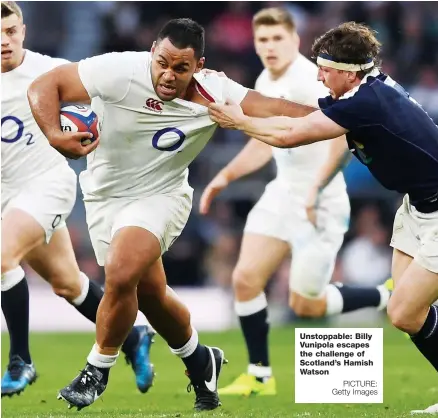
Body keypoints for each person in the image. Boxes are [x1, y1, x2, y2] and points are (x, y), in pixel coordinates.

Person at [27, 17, 338, 412]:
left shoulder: (215, 93)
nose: (168, 75)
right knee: (150, 296)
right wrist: (56, 135)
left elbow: (275, 108)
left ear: (199, 66)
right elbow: (45, 86)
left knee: (121, 273)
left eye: (181, 68)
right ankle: (200, 359)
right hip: (104, 197)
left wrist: (344, 117)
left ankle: (96, 370)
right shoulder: (119, 70)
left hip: (162, 196)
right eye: (162, 63)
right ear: (153, 53)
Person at [208, 21, 438, 414]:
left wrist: (237, 121)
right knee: (408, 310)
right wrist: (234, 97)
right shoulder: (366, 89)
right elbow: (295, 117)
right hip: (416, 206)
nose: (318, 75)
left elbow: (288, 135)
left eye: (325, 68)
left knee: (402, 313)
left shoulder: (366, 103)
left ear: (348, 72)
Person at [1, 1, 155, 398]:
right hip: (6, 196)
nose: (5, 41)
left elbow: (103, 105)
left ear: (24, 30)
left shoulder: (51, 72)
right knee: (69, 284)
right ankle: (135, 336)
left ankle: (21, 360)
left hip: (45, 184)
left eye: (11, 31)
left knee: (2, 259)